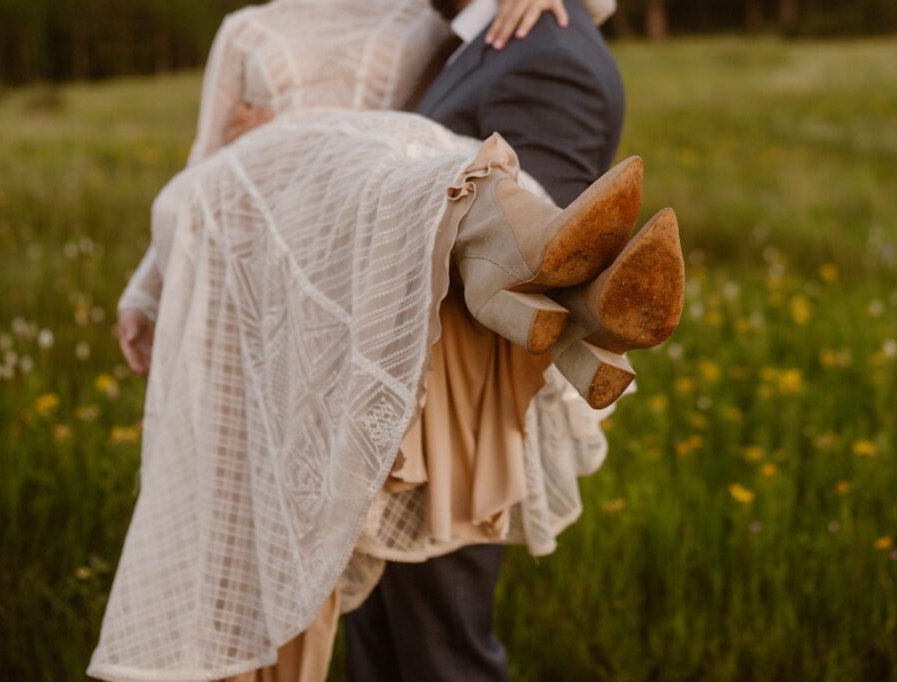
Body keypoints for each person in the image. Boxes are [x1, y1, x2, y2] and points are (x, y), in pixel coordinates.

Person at [91, 1, 683, 680]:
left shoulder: (423, 25)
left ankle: (578, 312)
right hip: (305, 332)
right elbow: (207, 158)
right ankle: (587, 324)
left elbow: (443, 137)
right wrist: (146, 288)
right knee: (373, 625)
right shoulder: (256, 31)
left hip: (419, 372)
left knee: (437, 642)